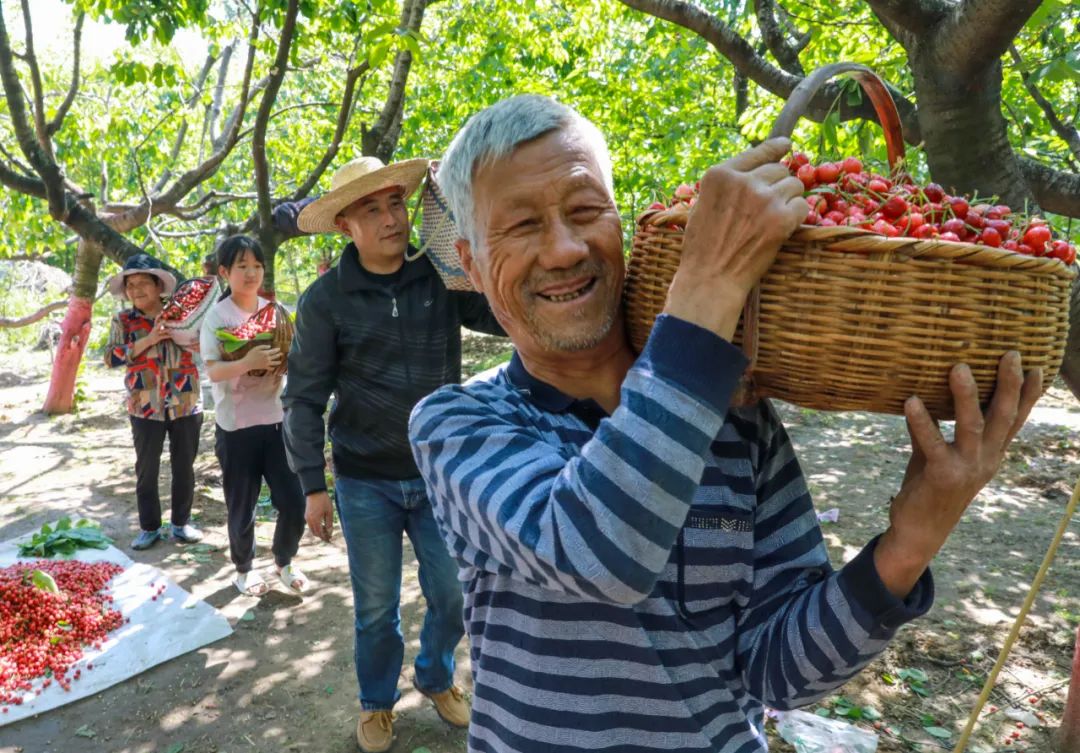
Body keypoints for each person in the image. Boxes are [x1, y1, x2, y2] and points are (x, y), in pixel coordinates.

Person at [407, 94, 1043, 753]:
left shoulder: (736, 419)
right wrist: (708, 283)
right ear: (473, 266)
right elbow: (599, 551)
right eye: (521, 226)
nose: (565, 249)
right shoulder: (459, 424)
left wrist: (906, 547)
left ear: (621, 221)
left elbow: (777, 674)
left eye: (585, 210)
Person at [280, 155, 506, 753]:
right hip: (365, 481)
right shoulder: (325, 301)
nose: (389, 219)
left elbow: (500, 313)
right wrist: (312, 485)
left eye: (395, 204)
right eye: (371, 209)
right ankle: (378, 703)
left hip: (438, 475)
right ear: (345, 226)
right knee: (376, 610)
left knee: (455, 595)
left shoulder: (438, 276)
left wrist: (487, 264)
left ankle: (434, 675)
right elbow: (302, 398)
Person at [199, 235, 309, 597]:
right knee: (241, 506)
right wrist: (248, 362)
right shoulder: (217, 316)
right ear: (224, 272)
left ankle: (284, 561)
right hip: (236, 428)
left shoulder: (273, 311)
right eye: (242, 266)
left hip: (276, 422)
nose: (251, 273)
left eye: (257, 266)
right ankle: (244, 570)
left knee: (293, 500)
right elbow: (213, 370)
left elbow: (291, 352)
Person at [104, 253, 204, 551]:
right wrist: (148, 339)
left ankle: (181, 523)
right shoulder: (123, 320)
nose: (136, 290)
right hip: (144, 406)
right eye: (130, 285)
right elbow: (111, 357)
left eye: (142, 283)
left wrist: (194, 340)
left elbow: (207, 343)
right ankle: (149, 527)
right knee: (146, 469)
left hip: (185, 402)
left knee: (184, 466)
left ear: (158, 285)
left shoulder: (182, 314)